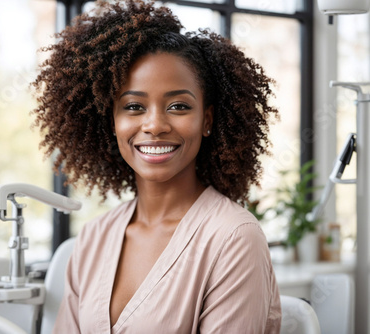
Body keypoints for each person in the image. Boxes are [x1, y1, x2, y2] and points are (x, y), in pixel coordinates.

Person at [31, 0, 281, 332]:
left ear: (206, 120)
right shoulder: (93, 238)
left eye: (178, 106)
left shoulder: (233, 239)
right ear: (112, 121)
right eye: (134, 106)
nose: (155, 125)